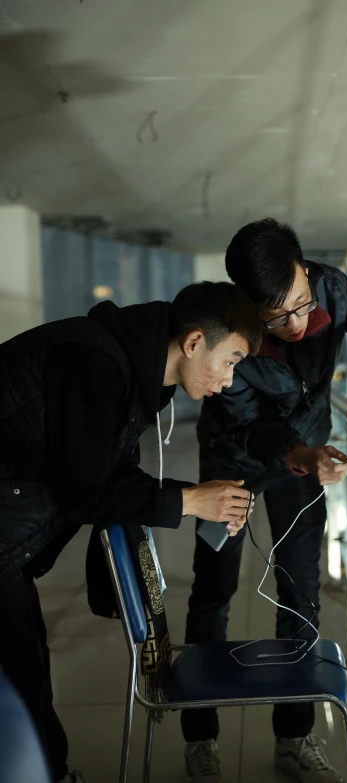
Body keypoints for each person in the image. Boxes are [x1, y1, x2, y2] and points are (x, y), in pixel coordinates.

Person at [182, 219, 347, 783]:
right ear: (251, 309)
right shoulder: (232, 332)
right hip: (232, 464)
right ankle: (199, 737)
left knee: (301, 592)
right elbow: (250, 430)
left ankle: (293, 738)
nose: (299, 324)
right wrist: (301, 455)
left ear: (305, 269)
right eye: (279, 316)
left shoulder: (330, 287)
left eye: (302, 303)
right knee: (213, 591)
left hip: (308, 457)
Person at [0, 281, 261, 783]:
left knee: (26, 666)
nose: (228, 380)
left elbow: (109, 475)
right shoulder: (94, 363)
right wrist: (188, 501)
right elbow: (85, 490)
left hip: (10, 537)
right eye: (229, 360)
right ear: (192, 342)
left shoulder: (134, 375)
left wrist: (199, 497)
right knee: (19, 672)